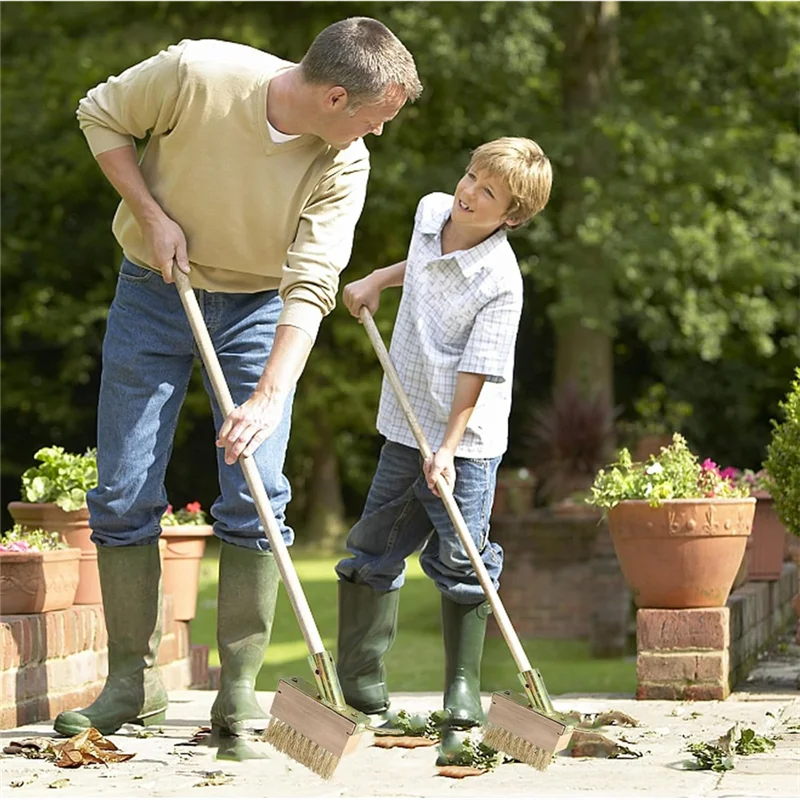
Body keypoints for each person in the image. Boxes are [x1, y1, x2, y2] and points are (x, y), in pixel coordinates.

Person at [53, 18, 421, 739]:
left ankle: (238, 693)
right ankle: (132, 685)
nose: (380, 135)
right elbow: (98, 114)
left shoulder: (343, 160)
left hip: (258, 308)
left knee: (256, 492)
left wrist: (269, 393)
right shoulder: (198, 74)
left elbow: (312, 283)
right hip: (155, 289)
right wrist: (149, 214)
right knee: (124, 489)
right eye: (380, 119)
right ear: (338, 98)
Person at [334, 137, 552, 758]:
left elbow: (476, 372)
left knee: (463, 562)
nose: (468, 192)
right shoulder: (432, 211)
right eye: (471, 175)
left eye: (487, 192)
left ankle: (462, 695)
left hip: (466, 440)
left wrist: (450, 449)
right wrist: (378, 278)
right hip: (405, 423)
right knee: (373, 546)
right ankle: (362, 692)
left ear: (511, 215)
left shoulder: (500, 282)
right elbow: (421, 264)